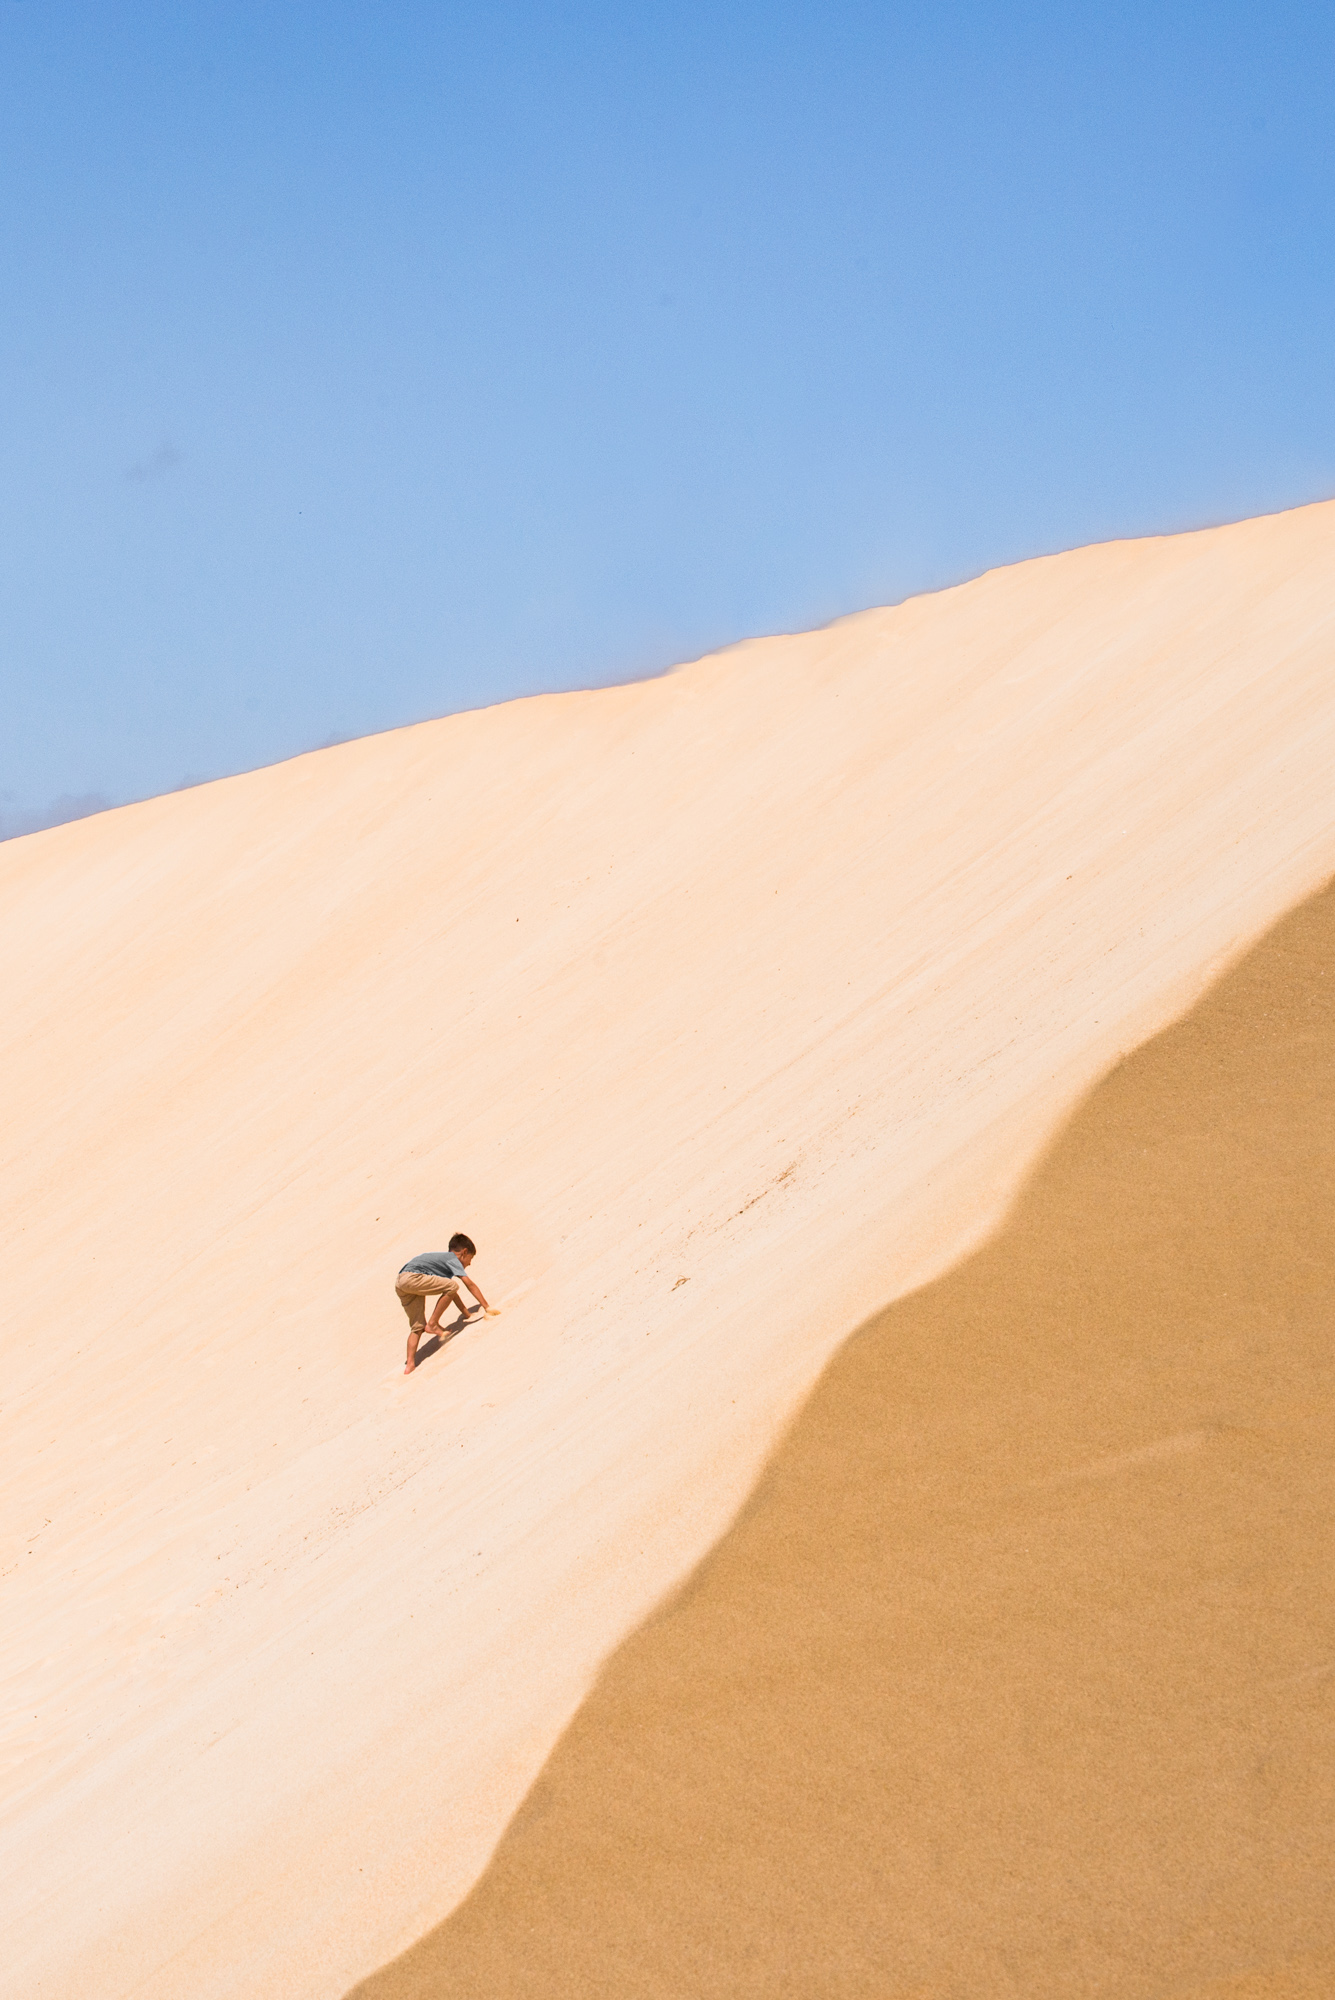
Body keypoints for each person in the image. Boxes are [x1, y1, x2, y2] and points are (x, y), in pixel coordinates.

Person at [396, 1233, 499, 1375]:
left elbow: (452, 1295)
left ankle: (410, 1365)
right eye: (471, 1258)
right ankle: (432, 1324)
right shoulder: (452, 1259)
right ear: (464, 1252)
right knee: (452, 1286)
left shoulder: (442, 1264)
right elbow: (469, 1284)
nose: (470, 1263)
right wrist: (487, 1307)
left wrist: (466, 1314)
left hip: (401, 1282)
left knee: (417, 1326)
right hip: (413, 1277)